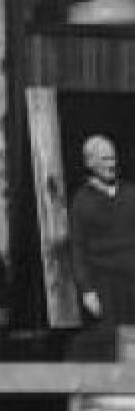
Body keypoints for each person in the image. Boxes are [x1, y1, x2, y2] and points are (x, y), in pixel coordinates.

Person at [70, 133, 135, 358]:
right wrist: (87, 291)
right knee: (113, 345)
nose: (112, 164)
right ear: (90, 163)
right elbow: (78, 250)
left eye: (113, 158)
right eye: (106, 159)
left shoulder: (130, 194)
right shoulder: (81, 202)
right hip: (105, 286)